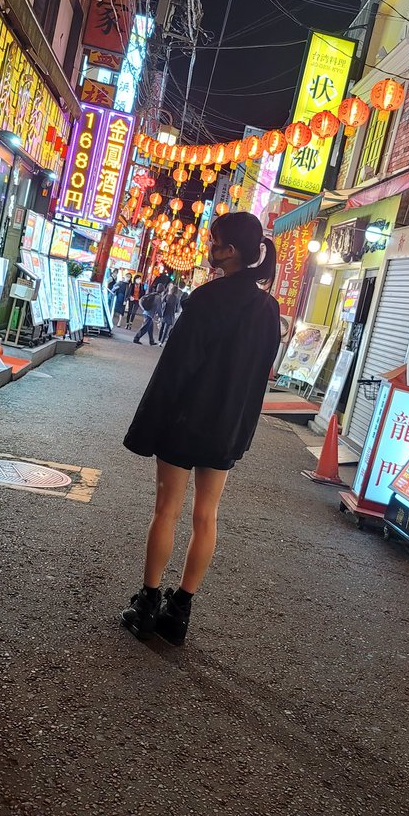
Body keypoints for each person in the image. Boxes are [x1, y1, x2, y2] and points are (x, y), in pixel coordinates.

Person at [121, 212, 281, 645]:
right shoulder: (269, 309)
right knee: (206, 516)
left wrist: (150, 423)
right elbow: (259, 377)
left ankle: (147, 603)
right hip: (226, 427)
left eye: (214, 241)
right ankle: (180, 611)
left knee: (166, 511)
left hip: (184, 422)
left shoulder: (206, 299)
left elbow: (176, 368)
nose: (209, 247)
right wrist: (240, 429)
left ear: (230, 251)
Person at [132, 281, 162, 345]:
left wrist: (144, 309)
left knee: (150, 328)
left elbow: (141, 299)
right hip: (150, 314)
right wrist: (161, 316)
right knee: (144, 328)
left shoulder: (152, 294)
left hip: (146, 312)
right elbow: (159, 308)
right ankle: (136, 338)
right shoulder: (158, 297)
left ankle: (151, 340)